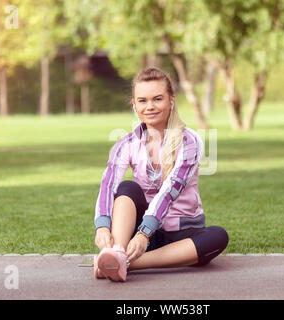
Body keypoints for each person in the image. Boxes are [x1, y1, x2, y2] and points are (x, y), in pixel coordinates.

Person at [93, 67, 228, 282]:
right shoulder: (126, 144)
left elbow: (170, 190)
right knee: (127, 188)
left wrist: (144, 232)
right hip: (141, 234)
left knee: (218, 236)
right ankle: (117, 251)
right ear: (134, 105)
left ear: (171, 100)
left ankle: (124, 262)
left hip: (179, 235)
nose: (150, 107)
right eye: (142, 101)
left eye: (157, 99)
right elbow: (108, 184)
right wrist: (102, 225)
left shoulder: (189, 141)